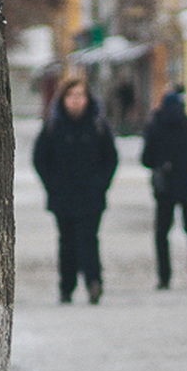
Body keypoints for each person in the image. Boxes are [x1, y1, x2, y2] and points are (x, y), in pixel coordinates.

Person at [33, 77, 119, 304]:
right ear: (63, 99)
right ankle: (66, 286)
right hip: (62, 195)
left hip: (91, 195)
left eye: (80, 95)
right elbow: (40, 158)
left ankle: (93, 282)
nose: (76, 100)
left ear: (88, 98)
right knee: (67, 242)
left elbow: (111, 158)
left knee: (89, 239)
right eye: (71, 96)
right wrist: (52, 184)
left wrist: (101, 183)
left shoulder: (98, 126)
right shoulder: (53, 126)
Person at [140, 87, 187, 289]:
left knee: (162, 233)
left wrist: (162, 163)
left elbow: (146, 159)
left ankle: (164, 276)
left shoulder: (154, 128)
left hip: (165, 187)